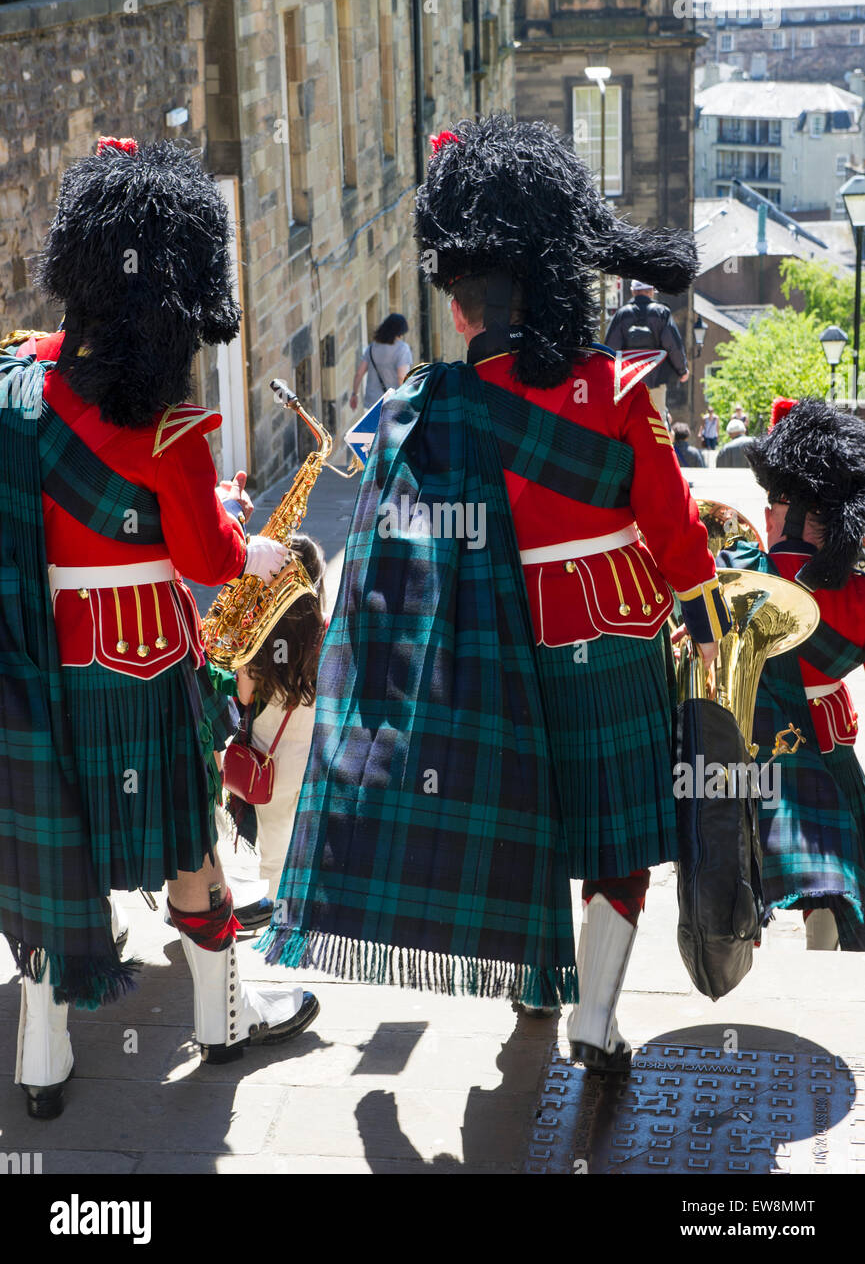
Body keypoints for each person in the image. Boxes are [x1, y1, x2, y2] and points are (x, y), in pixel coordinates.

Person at [262, 114, 731, 1072]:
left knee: (519, 819)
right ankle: (595, 1015)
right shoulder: (614, 387)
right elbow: (675, 530)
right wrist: (703, 609)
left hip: (485, 651)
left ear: (461, 304)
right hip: (607, 641)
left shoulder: (422, 408)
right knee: (612, 837)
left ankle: (530, 989)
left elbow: (401, 556)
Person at [0, 137, 318, 1119]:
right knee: (189, 842)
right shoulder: (170, 426)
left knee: (54, 843)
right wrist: (258, 554)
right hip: (139, 666)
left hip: (38, 665)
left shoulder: (13, 388)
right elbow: (209, 557)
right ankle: (223, 1018)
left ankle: (44, 1052)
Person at [717, 397, 865, 951]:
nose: (766, 516)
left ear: (790, 512)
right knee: (831, 871)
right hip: (826, 746)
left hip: (742, 750)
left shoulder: (735, 572)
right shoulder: (852, 595)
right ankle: (820, 954)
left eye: (773, 504)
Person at [222, 534, 327, 917]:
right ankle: (308, 902)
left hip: (270, 756)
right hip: (314, 750)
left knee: (277, 837)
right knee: (311, 830)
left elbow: (245, 697)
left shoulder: (260, 636)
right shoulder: (327, 630)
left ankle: (281, 909)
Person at [604, 278, 689, 417]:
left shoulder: (621, 314)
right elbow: (673, 345)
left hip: (628, 381)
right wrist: (682, 370)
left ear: (633, 291)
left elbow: (610, 348)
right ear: (651, 291)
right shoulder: (662, 313)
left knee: (628, 420)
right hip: (657, 378)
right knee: (657, 421)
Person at [349, 312, 411, 412]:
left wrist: (354, 394)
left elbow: (359, 373)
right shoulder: (403, 349)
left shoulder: (372, 347)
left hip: (372, 404)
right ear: (400, 332)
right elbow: (402, 378)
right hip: (393, 403)